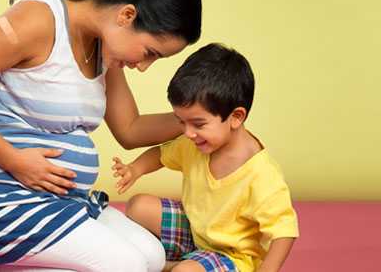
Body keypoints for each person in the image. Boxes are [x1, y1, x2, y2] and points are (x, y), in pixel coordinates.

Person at [0, 0, 202, 271]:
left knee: (152, 256)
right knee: (126, 266)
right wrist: (13, 160)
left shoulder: (104, 46)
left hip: (58, 202)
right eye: (149, 53)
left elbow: (130, 129)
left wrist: (201, 119)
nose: (143, 66)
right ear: (126, 15)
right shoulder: (38, 19)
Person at [112, 43, 299, 272]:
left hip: (232, 256)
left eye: (198, 124)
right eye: (182, 122)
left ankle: (173, 266)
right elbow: (161, 154)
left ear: (236, 117)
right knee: (138, 205)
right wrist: (135, 169)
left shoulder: (261, 174)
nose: (188, 133)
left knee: (186, 271)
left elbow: (284, 231)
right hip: (195, 230)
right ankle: (178, 262)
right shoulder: (197, 143)